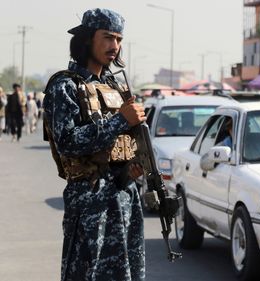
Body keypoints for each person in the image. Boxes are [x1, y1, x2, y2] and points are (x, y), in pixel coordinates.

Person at [42, 8, 146, 281]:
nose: (115, 46)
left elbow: (121, 148)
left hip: (123, 200)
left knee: (128, 273)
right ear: (88, 38)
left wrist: (130, 172)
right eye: (108, 37)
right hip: (89, 203)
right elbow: (68, 142)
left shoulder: (115, 86)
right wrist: (120, 120)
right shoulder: (64, 86)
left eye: (119, 39)